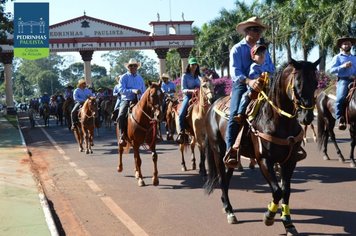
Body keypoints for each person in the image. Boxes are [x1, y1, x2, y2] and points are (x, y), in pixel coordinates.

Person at [225, 16, 274, 168]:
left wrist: (268, 77)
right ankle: (230, 151)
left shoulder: (263, 50)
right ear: (246, 31)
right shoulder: (237, 49)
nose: (258, 32)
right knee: (234, 115)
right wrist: (249, 81)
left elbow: (271, 67)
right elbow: (235, 73)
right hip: (242, 84)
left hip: (264, 84)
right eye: (255, 29)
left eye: (259, 29)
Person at [117, 58, 146, 145]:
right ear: (128, 67)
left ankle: (152, 134)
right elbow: (121, 90)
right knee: (121, 115)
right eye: (131, 66)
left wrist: (142, 97)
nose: (133, 67)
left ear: (137, 67)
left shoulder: (140, 78)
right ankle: (122, 135)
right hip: (127, 99)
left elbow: (144, 90)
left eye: (135, 66)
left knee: (150, 114)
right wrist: (132, 91)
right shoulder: (124, 77)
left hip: (139, 100)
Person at [329, 36, 356, 130]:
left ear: (351, 45)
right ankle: (340, 118)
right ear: (341, 46)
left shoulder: (354, 58)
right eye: (344, 44)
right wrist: (342, 66)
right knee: (340, 98)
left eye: (348, 43)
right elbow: (331, 70)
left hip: (355, 80)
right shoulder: (337, 58)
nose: (346, 45)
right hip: (344, 80)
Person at [237, 42, 268, 117]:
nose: (262, 55)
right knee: (246, 96)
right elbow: (252, 75)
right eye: (259, 54)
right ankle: (240, 113)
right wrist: (259, 77)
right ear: (253, 57)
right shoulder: (254, 66)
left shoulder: (264, 67)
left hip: (264, 87)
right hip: (254, 87)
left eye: (263, 54)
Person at [176, 57, 201, 144]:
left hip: (199, 96)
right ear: (189, 65)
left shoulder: (199, 76)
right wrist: (192, 91)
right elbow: (183, 89)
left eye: (195, 64)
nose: (194, 66)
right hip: (188, 96)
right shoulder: (185, 76)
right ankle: (181, 132)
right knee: (181, 113)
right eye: (192, 64)